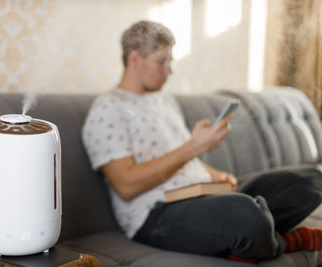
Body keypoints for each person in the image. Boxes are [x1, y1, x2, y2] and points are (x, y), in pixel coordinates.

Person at [81, 20, 322, 262]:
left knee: (310, 180)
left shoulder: (164, 101)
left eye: (170, 61)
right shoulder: (108, 108)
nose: (170, 69)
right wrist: (194, 147)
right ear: (134, 60)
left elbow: (182, 161)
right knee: (248, 216)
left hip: (204, 193)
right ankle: (279, 240)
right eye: (161, 61)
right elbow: (126, 186)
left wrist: (213, 173)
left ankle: (247, 237)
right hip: (157, 213)